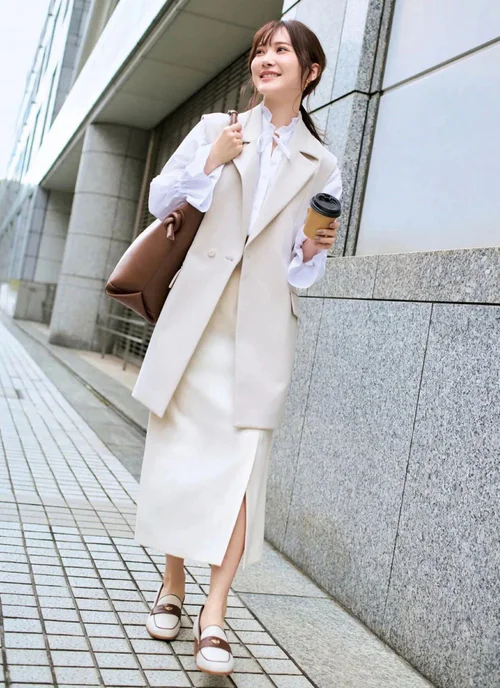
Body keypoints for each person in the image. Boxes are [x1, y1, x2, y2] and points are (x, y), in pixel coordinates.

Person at [132, 18, 342, 676]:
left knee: (243, 472)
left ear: (310, 72)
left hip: (261, 333)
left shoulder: (321, 162)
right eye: (260, 51)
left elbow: (301, 271)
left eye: (281, 51)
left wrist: (311, 249)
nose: (265, 59)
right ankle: (172, 584)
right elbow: (159, 201)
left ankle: (214, 613)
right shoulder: (215, 129)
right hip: (198, 320)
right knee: (179, 455)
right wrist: (212, 160)